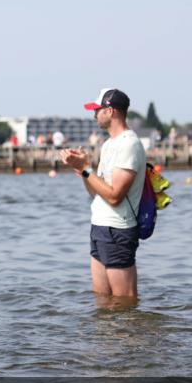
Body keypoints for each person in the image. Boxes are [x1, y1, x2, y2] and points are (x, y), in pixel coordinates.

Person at [59, 88, 146, 301]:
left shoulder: (128, 144)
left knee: (124, 303)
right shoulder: (108, 144)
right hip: (99, 226)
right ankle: (104, 337)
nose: (94, 115)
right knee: (102, 301)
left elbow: (115, 196)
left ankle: (130, 336)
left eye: (97, 110)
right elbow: (97, 193)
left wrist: (87, 168)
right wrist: (82, 170)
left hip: (117, 229)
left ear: (111, 111)